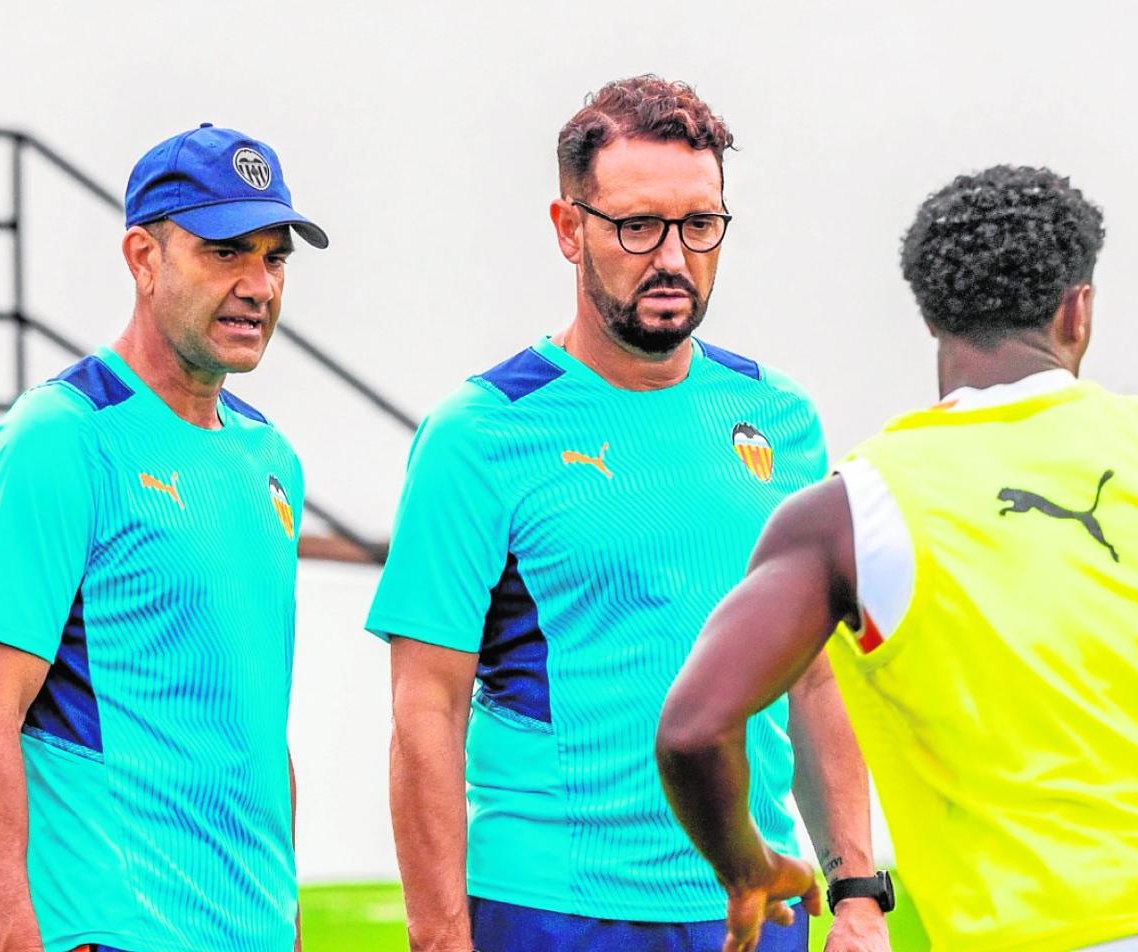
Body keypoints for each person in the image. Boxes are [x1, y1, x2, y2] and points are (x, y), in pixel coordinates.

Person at [366, 75, 890, 952]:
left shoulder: (782, 418)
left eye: (700, 225)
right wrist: (441, 936)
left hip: (759, 906)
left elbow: (814, 677)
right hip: (553, 909)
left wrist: (858, 892)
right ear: (569, 229)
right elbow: (427, 709)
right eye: (638, 226)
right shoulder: (481, 432)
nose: (674, 258)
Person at [656, 164, 1138, 952]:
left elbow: (693, 728)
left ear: (930, 317)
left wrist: (748, 867)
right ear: (1076, 309)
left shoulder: (850, 512)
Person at [0, 124, 327, 952]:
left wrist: (289, 925)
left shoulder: (272, 460)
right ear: (143, 257)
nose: (257, 284)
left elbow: (258, 725)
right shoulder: (59, 438)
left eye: (274, 257)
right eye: (225, 251)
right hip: (114, 929)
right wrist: (13, 939)